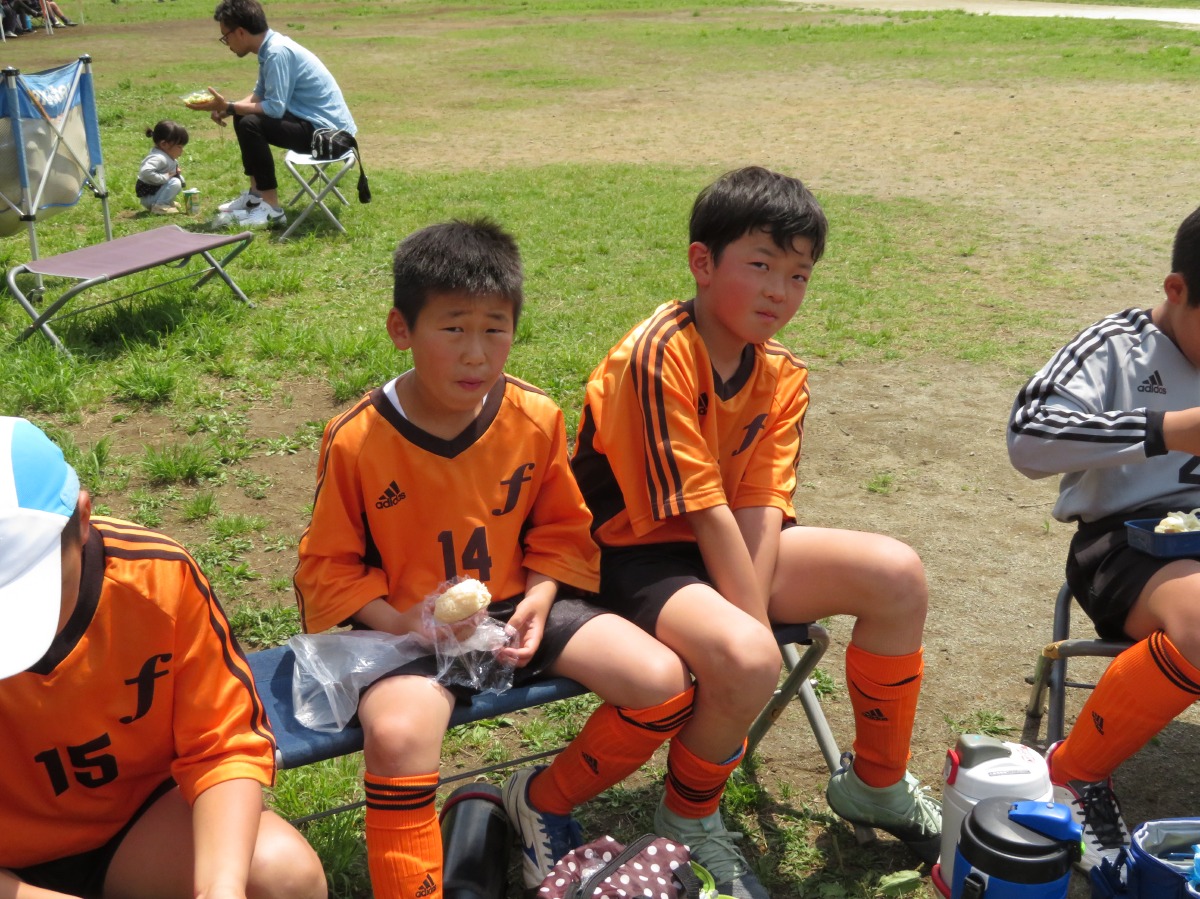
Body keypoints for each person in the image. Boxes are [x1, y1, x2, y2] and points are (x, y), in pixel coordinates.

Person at [566, 166, 942, 895]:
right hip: (627, 554)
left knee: (896, 574)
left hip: (719, 547)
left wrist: (749, 608)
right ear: (702, 263)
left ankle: (876, 782)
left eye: (799, 276)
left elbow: (760, 503)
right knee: (747, 654)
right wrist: (751, 630)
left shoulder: (781, 373)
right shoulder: (656, 353)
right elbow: (701, 508)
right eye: (761, 266)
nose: (780, 291)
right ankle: (686, 817)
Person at [293, 220, 695, 899]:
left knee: (662, 681)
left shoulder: (534, 416)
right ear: (401, 329)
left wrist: (540, 597)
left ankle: (542, 799)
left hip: (516, 607)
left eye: (495, 329)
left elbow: (562, 527)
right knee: (398, 734)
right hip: (407, 630)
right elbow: (327, 567)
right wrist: (404, 624)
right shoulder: (358, 438)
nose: (475, 353)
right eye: (453, 328)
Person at [0, 416, 328, 899]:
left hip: (131, 825)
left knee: (284, 876)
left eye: (32, 588)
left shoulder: (155, 578)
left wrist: (220, 888)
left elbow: (221, 746)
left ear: (84, 519)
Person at [1007, 204, 1200, 870]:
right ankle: (1073, 772)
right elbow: (1028, 438)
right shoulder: (1116, 346)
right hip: (1125, 543)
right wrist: (1168, 428)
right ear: (1177, 290)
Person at [185, 0, 356, 228]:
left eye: (226, 37)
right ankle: (256, 197)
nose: (227, 44)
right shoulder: (270, 48)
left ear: (241, 32)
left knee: (250, 122)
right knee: (243, 116)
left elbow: (275, 108)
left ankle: (271, 209)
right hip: (316, 127)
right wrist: (227, 108)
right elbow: (259, 96)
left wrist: (231, 106)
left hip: (331, 137)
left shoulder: (277, 52)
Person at [136, 120, 188, 215]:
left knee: (178, 180)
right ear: (164, 144)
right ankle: (160, 206)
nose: (182, 150)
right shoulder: (158, 157)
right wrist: (165, 177)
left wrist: (175, 173)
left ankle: (166, 202)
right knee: (175, 182)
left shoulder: (165, 155)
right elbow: (145, 171)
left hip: (154, 193)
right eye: (179, 147)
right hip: (149, 196)